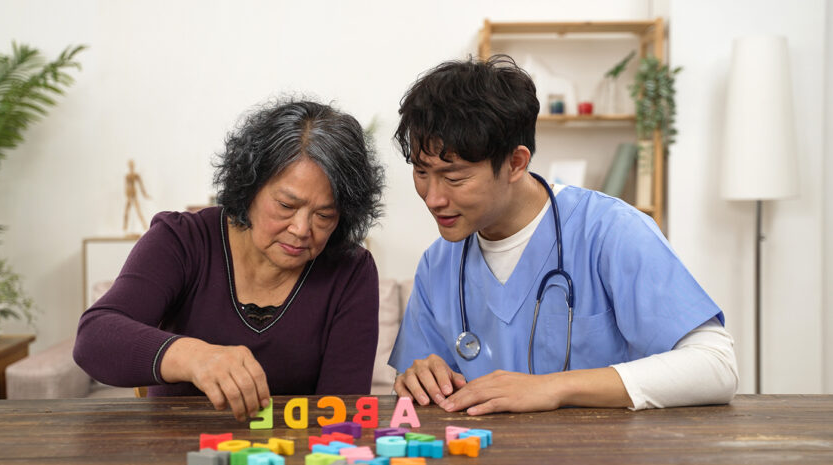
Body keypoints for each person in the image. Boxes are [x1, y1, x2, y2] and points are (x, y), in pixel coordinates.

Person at [388, 55, 738, 416]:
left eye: (454, 177)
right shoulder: (439, 262)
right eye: (421, 172)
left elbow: (716, 367)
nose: (433, 198)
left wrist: (553, 388)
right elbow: (421, 384)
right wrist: (417, 375)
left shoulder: (610, 231)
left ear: (516, 163)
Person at [75, 99, 385, 421]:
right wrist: (193, 356)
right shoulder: (183, 240)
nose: (301, 229)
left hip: (295, 461)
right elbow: (94, 339)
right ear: (249, 186)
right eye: (285, 206)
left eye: (324, 215)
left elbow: (340, 415)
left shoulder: (350, 271)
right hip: (176, 459)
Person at [123, 159, 151, 232]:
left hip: (134, 195)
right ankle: (125, 227)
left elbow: (141, 185)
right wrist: (127, 195)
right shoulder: (127, 176)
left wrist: (145, 194)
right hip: (129, 195)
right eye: (130, 165)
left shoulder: (136, 175)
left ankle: (145, 225)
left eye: (132, 165)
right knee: (126, 211)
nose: (131, 166)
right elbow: (126, 186)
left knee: (138, 211)